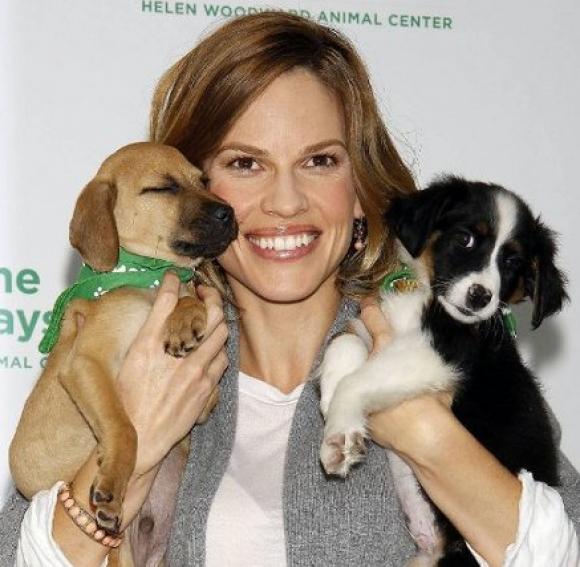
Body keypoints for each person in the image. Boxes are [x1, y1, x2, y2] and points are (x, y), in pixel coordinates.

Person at [1, 11, 579, 567]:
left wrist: (424, 430)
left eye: (320, 161)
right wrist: (138, 439)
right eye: (245, 164)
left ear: (360, 190)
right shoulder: (142, 355)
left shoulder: (438, 349)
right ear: (195, 184)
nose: (285, 202)